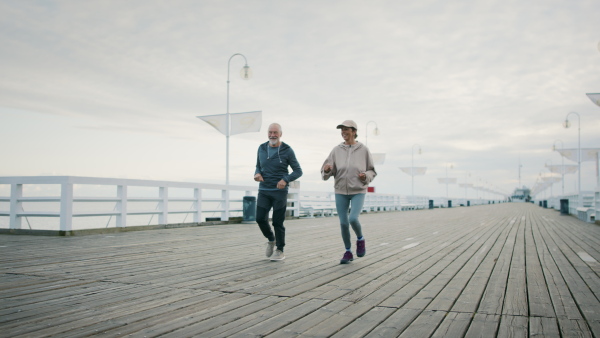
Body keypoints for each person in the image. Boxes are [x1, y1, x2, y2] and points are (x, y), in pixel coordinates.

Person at [321, 120, 377, 264]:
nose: (343, 132)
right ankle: (348, 251)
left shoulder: (363, 149)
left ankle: (360, 239)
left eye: (346, 129)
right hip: (340, 190)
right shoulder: (336, 150)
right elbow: (326, 170)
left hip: (358, 190)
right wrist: (327, 170)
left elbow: (372, 170)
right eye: (342, 130)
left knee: (353, 218)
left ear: (354, 131)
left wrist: (366, 176)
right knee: (343, 223)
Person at [254, 123, 302, 261]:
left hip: (279, 192)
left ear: (280, 134)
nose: (272, 135)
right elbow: (258, 166)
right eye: (270, 132)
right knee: (259, 219)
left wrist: (285, 179)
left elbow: (298, 171)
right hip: (264, 190)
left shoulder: (287, 150)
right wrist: (256, 174)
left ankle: (280, 249)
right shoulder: (262, 148)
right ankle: (271, 239)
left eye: (275, 132)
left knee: (277, 222)